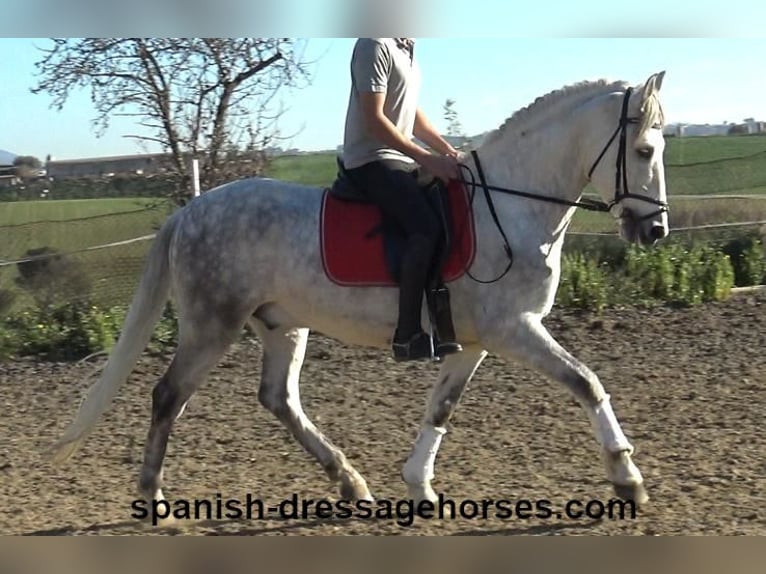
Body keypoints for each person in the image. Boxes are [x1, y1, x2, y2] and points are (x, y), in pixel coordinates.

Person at [341, 37, 463, 361]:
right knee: (425, 227)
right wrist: (429, 160)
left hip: (400, 158)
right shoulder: (373, 44)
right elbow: (375, 119)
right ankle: (407, 334)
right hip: (371, 159)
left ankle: (444, 318)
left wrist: (448, 151)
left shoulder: (405, 48)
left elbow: (412, 114)